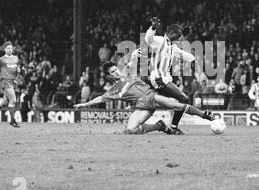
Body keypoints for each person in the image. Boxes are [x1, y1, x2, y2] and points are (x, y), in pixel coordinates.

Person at [74, 51, 214, 135]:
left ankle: (205, 115)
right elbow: (100, 99)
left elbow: (132, 62)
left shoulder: (127, 73)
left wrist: (134, 54)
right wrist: (85, 104)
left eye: (115, 69)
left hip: (151, 97)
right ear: (109, 75)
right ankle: (159, 126)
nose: (115, 71)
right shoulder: (114, 90)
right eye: (111, 72)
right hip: (142, 106)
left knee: (177, 105)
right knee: (130, 130)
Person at [144, 17, 196, 135]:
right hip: (158, 78)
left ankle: (164, 125)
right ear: (172, 34)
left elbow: (186, 56)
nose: (180, 38)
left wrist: (193, 57)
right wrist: (152, 28)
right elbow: (148, 39)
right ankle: (173, 127)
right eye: (179, 36)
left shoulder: (173, 47)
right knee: (183, 99)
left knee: (155, 102)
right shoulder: (160, 40)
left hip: (164, 78)